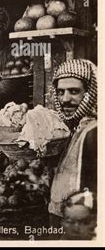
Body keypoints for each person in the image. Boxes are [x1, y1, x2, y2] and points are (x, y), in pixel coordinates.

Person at [48, 59, 97, 222]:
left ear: (90, 93)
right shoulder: (77, 126)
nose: (65, 99)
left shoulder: (93, 132)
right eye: (60, 92)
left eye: (74, 91)